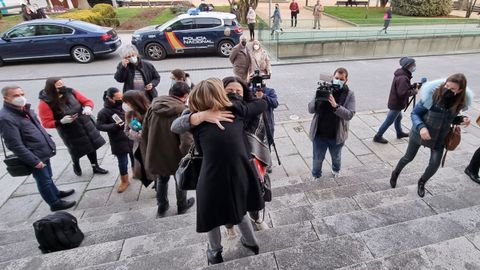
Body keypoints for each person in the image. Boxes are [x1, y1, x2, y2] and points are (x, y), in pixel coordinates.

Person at [188, 78, 266, 264]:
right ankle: (251, 243)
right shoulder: (235, 111)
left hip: (212, 172)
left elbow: (178, 127)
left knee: (210, 212)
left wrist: (197, 117)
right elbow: (261, 104)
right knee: (238, 209)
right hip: (239, 170)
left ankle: (215, 252)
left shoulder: (197, 120)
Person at [390, 74, 472, 197]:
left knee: (434, 164)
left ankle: (422, 181)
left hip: (439, 138)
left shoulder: (459, 102)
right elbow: (415, 114)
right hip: (419, 133)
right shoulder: (432, 95)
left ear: (460, 90)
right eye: (447, 86)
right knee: (408, 157)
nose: (448, 90)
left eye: (452, 89)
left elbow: (451, 119)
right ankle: (395, 173)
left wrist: (462, 119)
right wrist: (422, 127)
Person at [0, 86, 76, 211]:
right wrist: (34, 161)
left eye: (22, 94)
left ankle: (55, 193)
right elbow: (14, 145)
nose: (20, 97)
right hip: (34, 155)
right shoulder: (6, 118)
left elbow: (37, 128)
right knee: (43, 180)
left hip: (41, 150)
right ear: (6, 98)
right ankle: (54, 203)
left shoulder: (25, 110)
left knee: (48, 176)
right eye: (15, 96)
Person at [142, 82, 195, 217]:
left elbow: (145, 129)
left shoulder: (153, 106)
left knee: (161, 179)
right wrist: (189, 155)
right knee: (180, 179)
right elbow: (186, 140)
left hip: (157, 150)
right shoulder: (181, 110)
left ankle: (162, 206)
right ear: (184, 96)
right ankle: (182, 205)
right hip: (175, 153)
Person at [38, 78, 108, 177]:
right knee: (75, 150)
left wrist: (88, 107)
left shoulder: (70, 92)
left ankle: (95, 166)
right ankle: (76, 164)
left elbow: (87, 101)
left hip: (85, 124)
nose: (61, 87)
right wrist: (60, 121)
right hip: (69, 131)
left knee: (91, 146)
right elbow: (46, 122)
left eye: (62, 84)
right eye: (58, 85)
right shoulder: (45, 103)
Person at [308, 68, 356, 179]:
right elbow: (310, 110)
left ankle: (335, 170)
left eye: (341, 79)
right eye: (336, 78)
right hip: (319, 134)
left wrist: (336, 106)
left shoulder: (349, 94)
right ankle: (316, 175)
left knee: (336, 157)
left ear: (346, 80)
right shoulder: (324, 89)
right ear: (332, 78)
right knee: (317, 159)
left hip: (336, 135)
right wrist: (318, 98)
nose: (338, 80)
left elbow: (349, 114)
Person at [96, 87, 134, 193]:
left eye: (121, 97)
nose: (121, 100)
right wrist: (114, 126)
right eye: (118, 98)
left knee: (134, 156)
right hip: (118, 140)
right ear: (110, 98)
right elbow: (99, 126)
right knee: (123, 161)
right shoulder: (104, 112)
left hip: (130, 136)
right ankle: (124, 180)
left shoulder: (123, 107)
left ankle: (136, 173)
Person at [374, 57, 418, 144]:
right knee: (389, 120)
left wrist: (412, 86)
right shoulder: (403, 78)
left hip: (396, 102)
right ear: (409, 66)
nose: (415, 66)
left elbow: (403, 88)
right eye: (413, 65)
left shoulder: (402, 74)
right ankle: (378, 136)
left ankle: (399, 133)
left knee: (399, 117)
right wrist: (414, 91)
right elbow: (402, 93)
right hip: (397, 104)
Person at [122, 90, 155, 189]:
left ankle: (159, 184)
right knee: (144, 168)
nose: (124, 105)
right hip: (139, 147)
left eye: (126, 102)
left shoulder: (151, 112)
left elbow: (155, 132)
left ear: (134, 101)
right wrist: (135, 134)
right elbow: (126, 131)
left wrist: (143, 134)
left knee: (156, 169)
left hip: (153, 147)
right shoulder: (129, 114)